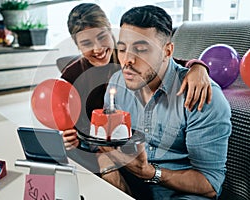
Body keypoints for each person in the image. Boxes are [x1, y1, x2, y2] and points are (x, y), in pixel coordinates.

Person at [99, 5, 232, 200]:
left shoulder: (201, 96)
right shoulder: (117, 83)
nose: (127, 60)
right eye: (122, 49)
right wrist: (108, 165)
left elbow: (210, 184)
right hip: (130, 184)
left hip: (180, 194)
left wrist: (151, 173)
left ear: (167, 51)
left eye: (141, 50)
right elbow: (106, 143)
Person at [61, 3, 211, 172]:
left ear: (110, 30)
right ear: (77, 46)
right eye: (86, 43)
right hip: (97, 148)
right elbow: (68, 122)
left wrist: (198, 67)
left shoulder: (125, 54)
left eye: (102, 37)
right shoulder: (72, 76)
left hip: (128, 145)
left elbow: (166, 62)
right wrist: (70, 139)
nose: (98, 48)